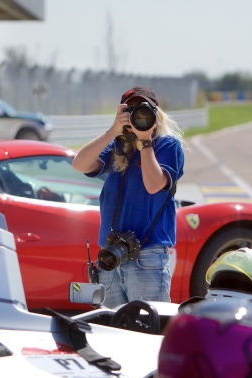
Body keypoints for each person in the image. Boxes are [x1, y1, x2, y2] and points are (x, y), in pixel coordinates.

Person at [71, 86, 185, 307]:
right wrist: (113, 131)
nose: (137, 116)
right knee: (114, 333)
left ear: (156, 115)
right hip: (112, 256)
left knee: (148, 333)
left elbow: (153, 185)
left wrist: (145, 141)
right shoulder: (118, 147)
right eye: (130, 110)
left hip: (147, 257)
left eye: (143, 110)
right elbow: (79, 164)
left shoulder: (167, 145)